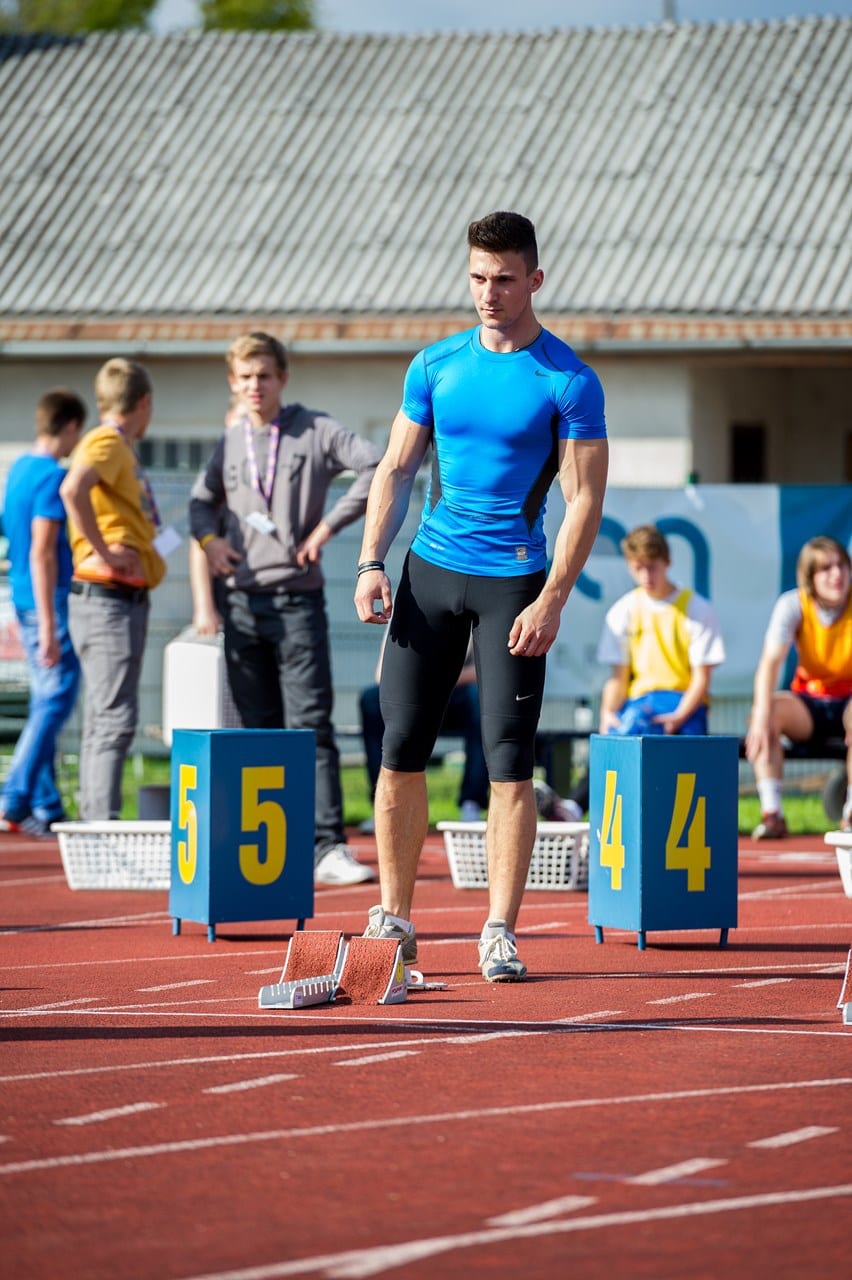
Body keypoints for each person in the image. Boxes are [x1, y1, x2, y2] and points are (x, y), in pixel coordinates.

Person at [353, 210, 608, 982]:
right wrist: (369, 562)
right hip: (429, 573)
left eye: (503, 279)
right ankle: (394, 918)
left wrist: (552, 599)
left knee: (508, 763)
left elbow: (584, 500)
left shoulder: (567, 379)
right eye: (477, 278)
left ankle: (499, 929)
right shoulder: (435, 365)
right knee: (400, 749)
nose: (488, 293)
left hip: (514, 585)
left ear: (535, 280)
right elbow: (396, 469)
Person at [189, 331, 382, 887]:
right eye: (246, 377)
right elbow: (200, 504)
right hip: (241, 604)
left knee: (310, 725)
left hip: (298, 601)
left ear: (282, 378)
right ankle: (268, 845)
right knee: (259, 730)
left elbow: (375, 465)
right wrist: (210, 544)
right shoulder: (230, 442)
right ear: (233, 382)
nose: (255, 386)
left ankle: (326, 845)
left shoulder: (314, 428)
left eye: (265, 376)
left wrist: (327, 528)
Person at [60, 358, 167, 820]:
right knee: (114, 718)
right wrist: (103, 550)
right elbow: (72, 490)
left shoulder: (115, 445)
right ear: (144, 403)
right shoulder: (106, 441)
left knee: (104, 715)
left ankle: (95, 819)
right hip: (108, 598)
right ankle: (100, 824)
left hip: (114, 599)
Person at [0, 390, 86, 835]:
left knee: (43, 700)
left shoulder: (18, 469)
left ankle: (46, 805)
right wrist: (50, 625)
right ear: (69, 426)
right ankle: (14, 796)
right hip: (46, 602)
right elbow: (41, 551)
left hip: (23, 598)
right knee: (56, 699)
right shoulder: (53, 476)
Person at [746, 535, 852, 838]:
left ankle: (850, 815)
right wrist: (760, 713)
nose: (837, 574)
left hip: (849, 701)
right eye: (826, 568)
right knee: (766, 713)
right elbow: (770, 663)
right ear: (809, 577)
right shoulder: (793, 604)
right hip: (810, 702)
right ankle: (772, 814)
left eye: (842, 565)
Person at [597, 523, 726, 736]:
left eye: (652, 567)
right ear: (629, 566)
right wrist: (607, 713)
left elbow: (701, 678)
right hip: (640, 703)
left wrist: (679, 716)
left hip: (686, 703)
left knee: (687, 746)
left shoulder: (697, 608)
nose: (646, 576)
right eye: (639, 568)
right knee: (621, 733)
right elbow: (619, 677)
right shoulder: (622, 611)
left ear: (667, 562)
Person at [359, 639, 489, 832]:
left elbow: (486, 671)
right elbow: (382, 674)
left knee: (479, 696)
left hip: (457, 696)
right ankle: (384, 804)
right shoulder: (401, 621)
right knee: (371, 698)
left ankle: (472, 803)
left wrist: (438, 679)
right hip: (414, 691)